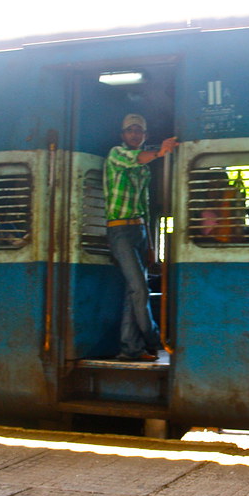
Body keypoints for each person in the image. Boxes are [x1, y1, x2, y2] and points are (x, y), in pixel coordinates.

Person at [103, 113, 178, 362]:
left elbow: (145, 206)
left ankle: (130, 349)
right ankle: (154, 340)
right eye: (130, 130)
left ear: (145, 135)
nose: (135, 134)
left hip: (140, 230)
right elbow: (136, 158)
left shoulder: (144, 169)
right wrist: (160, 152)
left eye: (139, 131)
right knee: (140, 289)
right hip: (120, 231)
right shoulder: (117, 154)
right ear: (123, 135)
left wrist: (151, 246)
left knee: (132, 292)